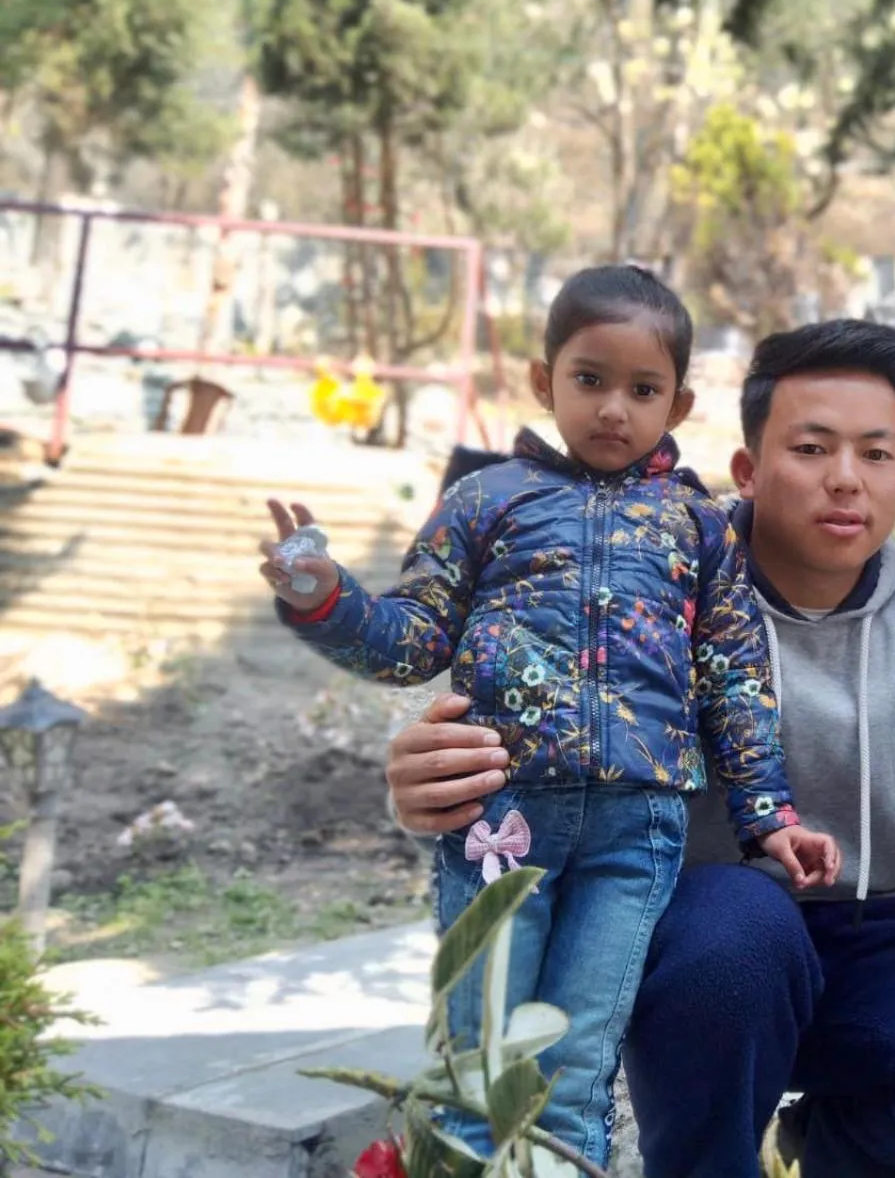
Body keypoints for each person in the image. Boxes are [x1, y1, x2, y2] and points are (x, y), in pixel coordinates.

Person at [385, 319, 895, 1178]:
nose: (846, 480)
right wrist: (419, 776)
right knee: (737, 930)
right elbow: (503, 705)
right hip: (697, 937)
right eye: (812, 448)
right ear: (747, 469)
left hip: (879, 921)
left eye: (876, 454)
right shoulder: (651, 590)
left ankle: (832, 1150)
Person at [256, 265, 838, 1167]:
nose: (614, 408)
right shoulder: (486, 500)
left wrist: (772, 818)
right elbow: (409, 638)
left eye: (642, 389)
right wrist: (323, 600)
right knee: (477, 1059)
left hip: (636, 831)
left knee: (572, 1064)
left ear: (678, 405)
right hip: (500, 814)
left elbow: (734, 683)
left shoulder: (698, 528)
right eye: (590, 379)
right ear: (543, 381)